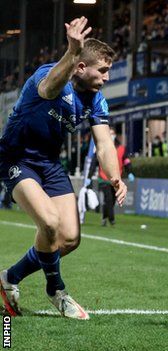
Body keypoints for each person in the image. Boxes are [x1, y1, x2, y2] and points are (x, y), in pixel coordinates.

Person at [0, 18, 127, 320]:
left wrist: (115, 176)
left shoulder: (96, 100)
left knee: (69, 238)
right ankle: (57, 290)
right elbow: (48, 89)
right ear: (81, 68)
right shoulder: (49, 75)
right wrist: (72, 52)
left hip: (49, 163)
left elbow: (105, 144)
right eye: (103, 70)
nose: (107, 77)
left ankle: (8, 278)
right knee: (49, 222)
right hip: (16, 158)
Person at [88, 129, 133, 226]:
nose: (111, 135)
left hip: (116, 179)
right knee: (108, 199)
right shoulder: (101, 148)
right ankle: (112, 220)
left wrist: (129, 172)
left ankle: (104, 217)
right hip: (103, 178)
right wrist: (89, 176)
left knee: (112, 200)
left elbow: (126, 161)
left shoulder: (121, 148)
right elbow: (94, 163)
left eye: (112, 133)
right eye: (109, 133)